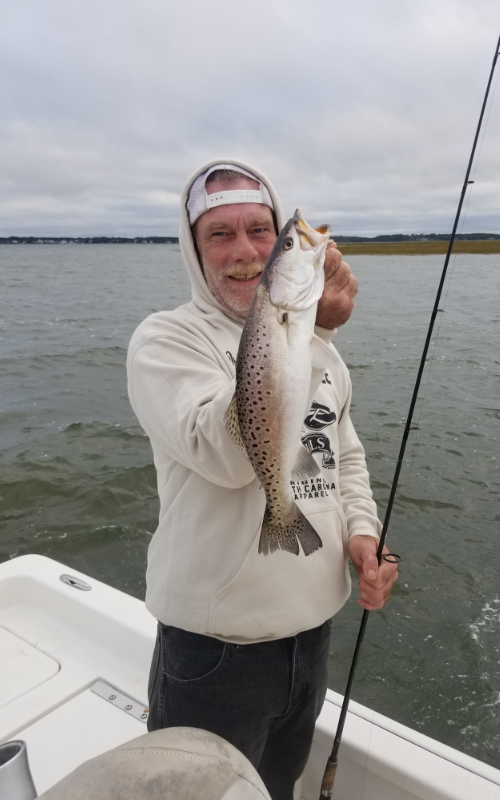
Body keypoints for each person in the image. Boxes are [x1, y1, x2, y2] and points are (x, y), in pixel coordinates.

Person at [127, 160, 398, 800]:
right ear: (194, 250)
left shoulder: (317, 348)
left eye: (261, 231)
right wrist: (313, 331)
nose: (245, 252)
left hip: (312, 636)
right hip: (216, 654)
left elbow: (341, 456)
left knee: (277, 788)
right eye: (220, 234)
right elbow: (225, 456)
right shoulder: (166, 340)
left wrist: (362, 533)